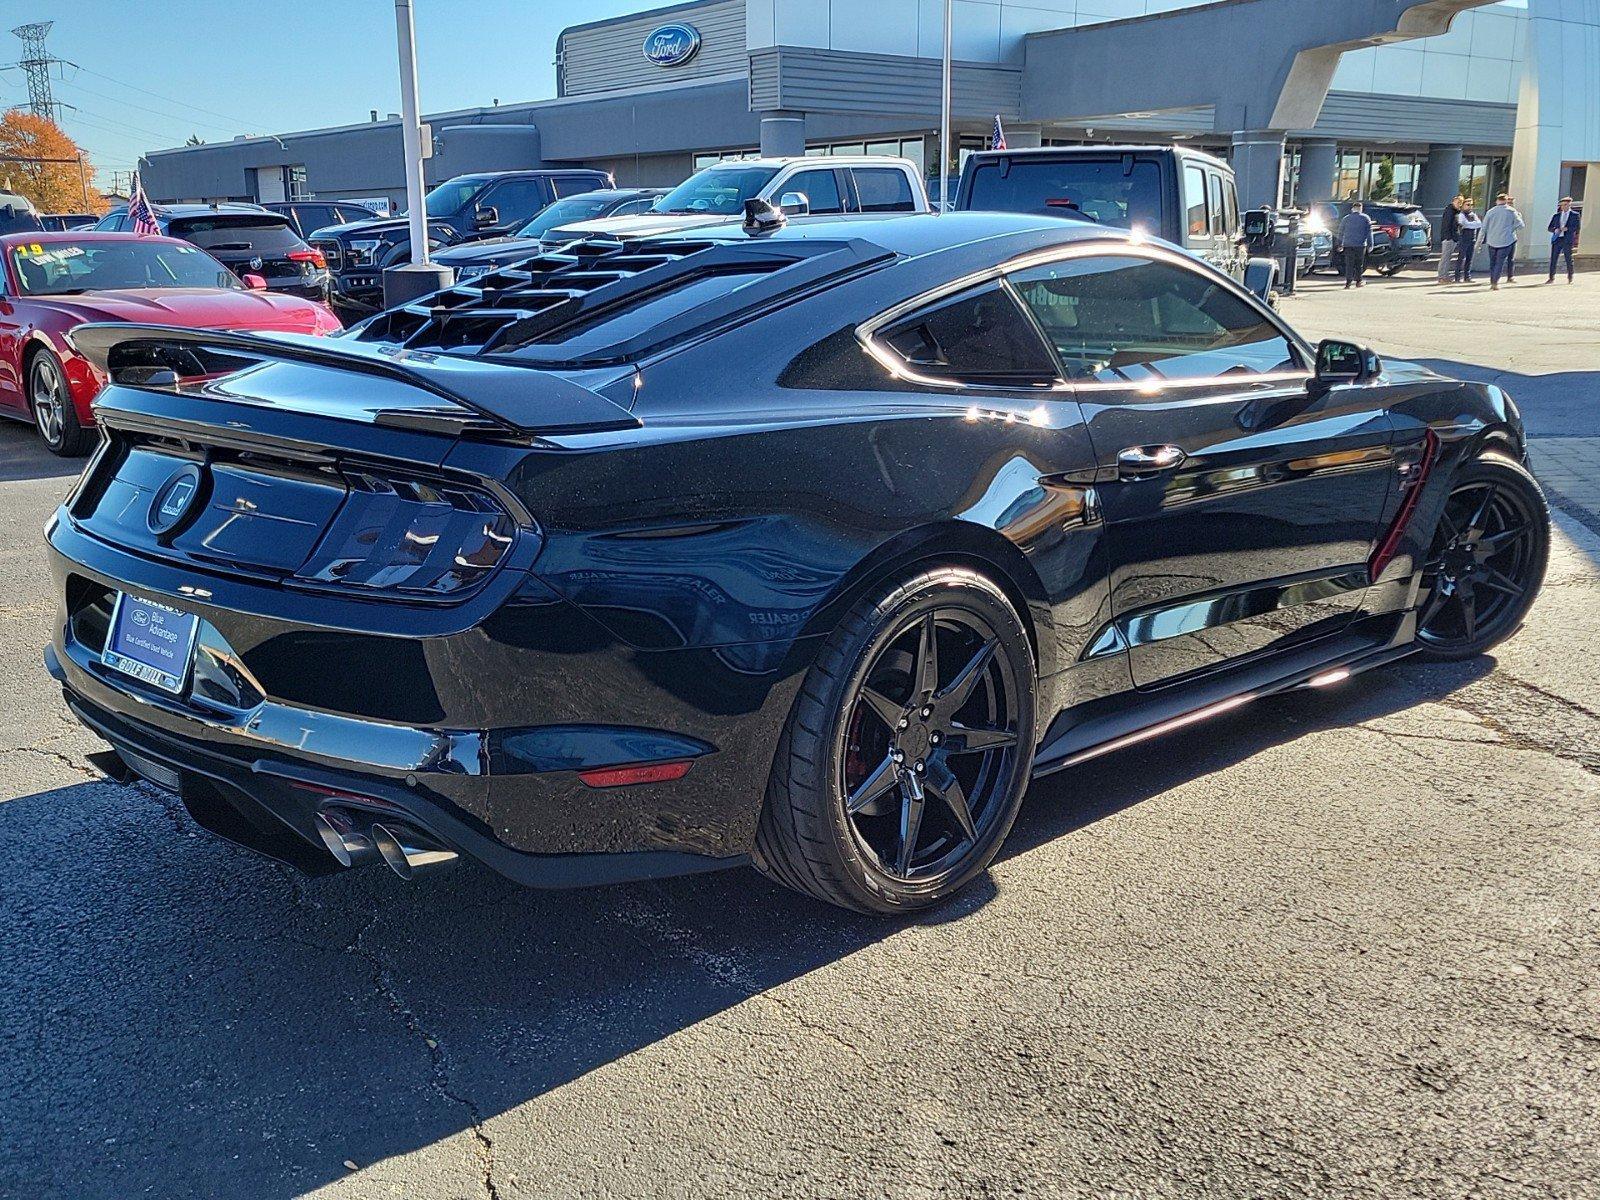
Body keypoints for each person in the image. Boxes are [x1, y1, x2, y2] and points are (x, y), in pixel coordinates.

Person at [1481, 193, 1525, 290]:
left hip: (1492, 241)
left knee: (1493, 262)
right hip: (1506, 240)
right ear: (1506, 201)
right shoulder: (1512, 211)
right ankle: (1495, 282)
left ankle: (1493, 280)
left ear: (1497, 201)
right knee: (1499, 262)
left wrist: (1479, 243)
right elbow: (1521, 225)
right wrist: (1511, 229)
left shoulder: (1490, 212)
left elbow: (1483, 228)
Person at [1339, 201, 1374, 288]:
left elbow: (1340, 232)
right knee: (1359, 264)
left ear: (1352, 209)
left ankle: (1348, 282)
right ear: (1360, 209)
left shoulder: (1346, 218)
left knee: (1349, 264)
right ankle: (1358, 281)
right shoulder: (1366, 218)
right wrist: (1371, 244)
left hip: (1348, 244)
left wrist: (1339, 244)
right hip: (1360, 244)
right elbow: (1369, 232)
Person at [1547, 196, 1582, 284]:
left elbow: (1577, 227)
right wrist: (1555, 229)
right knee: (1554, 258)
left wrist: (1568, 229)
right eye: (1562, 205)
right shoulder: (1556, 216)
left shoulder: (1575, 215)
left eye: (1565, 205)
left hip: (1567, 239)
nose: (1563, 207)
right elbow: (1550, 227)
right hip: (1557, 239)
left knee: (1568, 258)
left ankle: (1570, 277)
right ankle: (1551, 277)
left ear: (1569, 205)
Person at [1438, 195, 1465, 282]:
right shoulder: (1450, 211)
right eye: (1458, 202)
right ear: (1453, 202)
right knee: (1445, 257)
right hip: (1449, 238)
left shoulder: (1457, 212)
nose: (1459, 204)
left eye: (1460, 203)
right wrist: (1449, 237)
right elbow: (1447, 225)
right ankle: (1442, 277)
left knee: (1448, 257)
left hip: (1453, 237)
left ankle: (1445, 276)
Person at [1455, 205, 1483, 283]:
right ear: (1463, 206)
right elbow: (1463, 224)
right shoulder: (1461, 215)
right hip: (1464, 238)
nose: (1470, 206)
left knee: (1469, 258)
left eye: (1471, 205)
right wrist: (1472, 224)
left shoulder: (1473, 214)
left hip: (1472, 239)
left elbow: (1479, 224)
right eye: (1467, 205)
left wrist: (1469, 224)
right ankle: (1457, 277)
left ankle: (1467, 277)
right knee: (1461, 258)